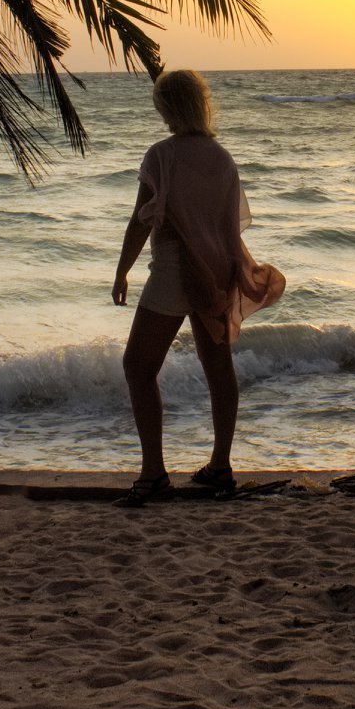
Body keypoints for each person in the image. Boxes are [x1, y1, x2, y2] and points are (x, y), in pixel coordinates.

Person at [111, 69, 283, 506]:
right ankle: (220, 467)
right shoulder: (222, 158)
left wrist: (122, 271)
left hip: (172, 271)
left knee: (138, 366)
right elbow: (229, 226)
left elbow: (140, 220)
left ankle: (153, 474)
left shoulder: (160, 156)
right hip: (216, 271)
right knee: (218, 367)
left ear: (167, 107)